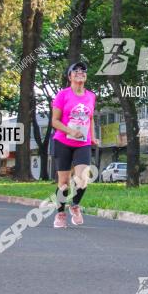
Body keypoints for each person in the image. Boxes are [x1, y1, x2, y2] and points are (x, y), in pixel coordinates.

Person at [50, 61, 98, 228]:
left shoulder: (91, 96)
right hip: (63, 141)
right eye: (75, 70)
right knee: (63, 182)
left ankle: (75, 205)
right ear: (69, 76)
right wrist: (70, 131)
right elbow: (54, 121)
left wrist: (93, 137)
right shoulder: (62, 95)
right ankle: (60, 214)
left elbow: (90, 118)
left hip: (82, 143)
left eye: (83, 70)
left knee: (83, 179)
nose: (80, 72)